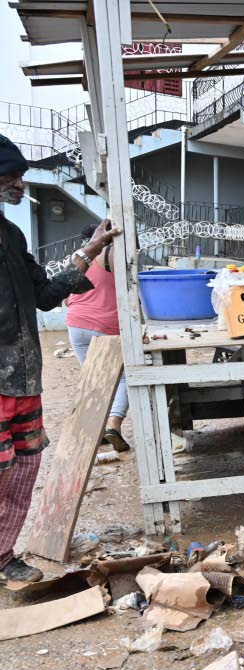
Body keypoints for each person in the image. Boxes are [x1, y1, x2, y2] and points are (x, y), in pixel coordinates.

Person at [0, 134, 120, 584]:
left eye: (19, 173)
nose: (19, 181)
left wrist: (89, 252)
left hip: (24, 378)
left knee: (23, 469)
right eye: (10, 174)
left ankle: (3, 555)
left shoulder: (11, 236)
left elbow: (46, 296)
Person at [66, 224, 129, 451]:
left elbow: (66, 297)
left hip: (76, 324)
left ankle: (94, 431)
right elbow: (129, 289)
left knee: (94, 378)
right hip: (106, 324)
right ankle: (113, 424)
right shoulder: (112, 255)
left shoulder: (75, 258)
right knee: (123, 378)